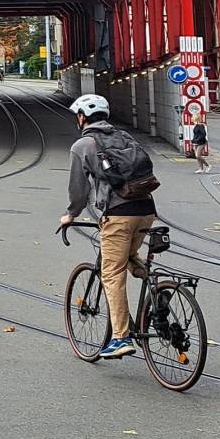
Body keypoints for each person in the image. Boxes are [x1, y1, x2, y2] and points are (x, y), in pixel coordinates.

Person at [59, 93, 157, 360]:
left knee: (111, 274)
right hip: (146, 210)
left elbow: (78, 190)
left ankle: (120, 338)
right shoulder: (125, 137)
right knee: (127, 256)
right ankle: (157, 290)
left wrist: (71, 215)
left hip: (118, 214)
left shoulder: (83, 145)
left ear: (82, 117)